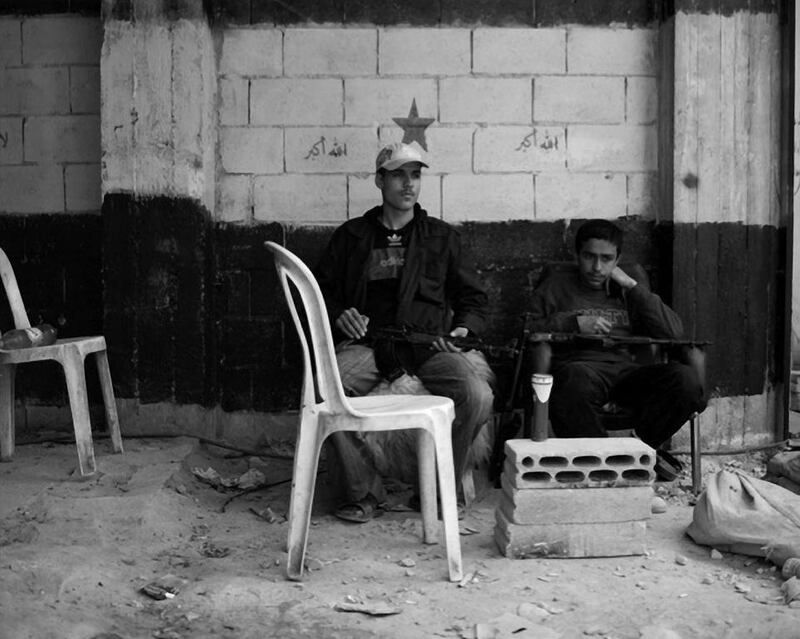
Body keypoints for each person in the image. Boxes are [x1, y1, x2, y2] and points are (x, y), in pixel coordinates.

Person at [313, 142, 495, 523]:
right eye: (398, 174)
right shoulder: (352, 237)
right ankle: (363, 493)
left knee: (477, 395)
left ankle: (436, 485)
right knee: (326, 389)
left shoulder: (441, 237)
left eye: (415, 175)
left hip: (427, 346)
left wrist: (463, 329)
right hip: (370, 344)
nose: (408, 184)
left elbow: (473, 299)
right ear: (380, 180)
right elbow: (321, 295)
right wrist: (338, 314)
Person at [528, 219, 705, 468]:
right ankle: (608, 462)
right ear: (577, 254)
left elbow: (675, 333)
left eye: (607, 259)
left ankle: (637, 449)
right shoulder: (556, 286)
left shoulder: (629, 290)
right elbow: (527, 330)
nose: (597, 267)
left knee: (686, 381)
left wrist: (632, 285)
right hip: (581, 370)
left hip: (628, 373)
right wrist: (574, 323)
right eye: (589, 257)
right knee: (572, 380)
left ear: (617, 260)